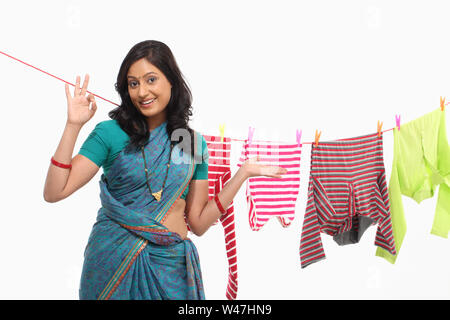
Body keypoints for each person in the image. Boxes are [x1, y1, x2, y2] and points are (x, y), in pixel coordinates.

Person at [43, 40, 287, 300]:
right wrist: (73, 125)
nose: (142, 92)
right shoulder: (111, 133)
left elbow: (199, 223)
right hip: (113, 263)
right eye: (133, 83)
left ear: (171, 80)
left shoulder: (190, 142)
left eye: (151, 80)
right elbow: (55, 191)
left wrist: (243, 173)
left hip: (171, 270)